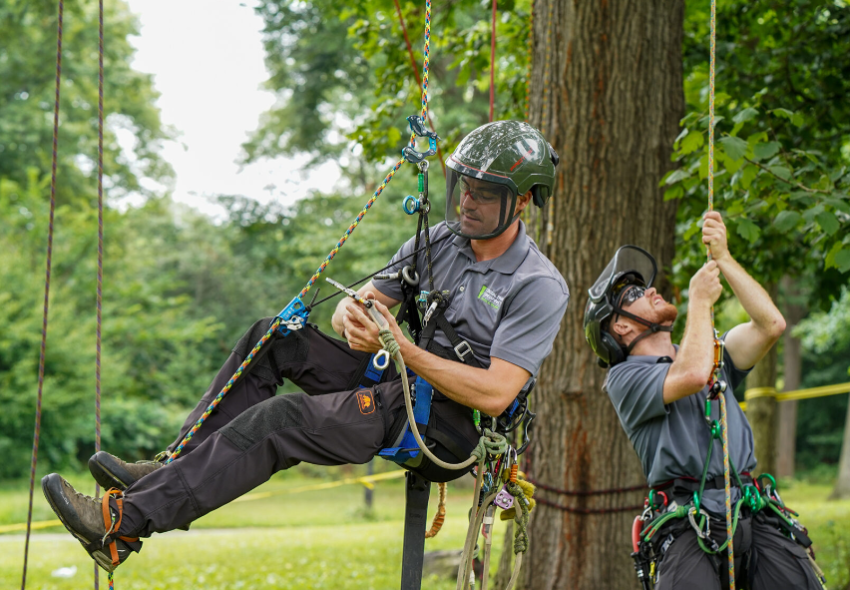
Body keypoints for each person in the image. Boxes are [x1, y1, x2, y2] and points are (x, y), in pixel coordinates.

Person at [41, 120, 569, 573]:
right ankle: (175, 466)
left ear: (521, 200)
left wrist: (402, 349)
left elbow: (498, 393)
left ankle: (120, 526)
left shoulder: (536, 284)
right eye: (464, 185)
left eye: (485, 192)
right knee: (273, 338)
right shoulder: (439, 241)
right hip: (396, 382)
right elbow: (357, 305)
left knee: (280, 421)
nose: (467, 200)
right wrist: (355, 319)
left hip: (445, 427)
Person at [583, 212, 823, 590]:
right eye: (633, 295)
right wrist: (698, 300)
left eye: (644, 286)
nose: (650, 290)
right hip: (686, 520)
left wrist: (725, 259)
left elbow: (770, 325)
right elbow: (691, 375)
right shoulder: (624, 378)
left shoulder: (711, 353)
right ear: (621, 327)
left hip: (751, 507)